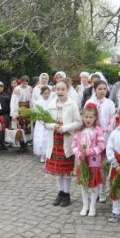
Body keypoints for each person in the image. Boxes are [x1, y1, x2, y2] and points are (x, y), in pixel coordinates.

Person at [44, 79, 82, 207]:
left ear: (67, 90)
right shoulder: (50, 104)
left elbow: (78, 122)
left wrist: (65, 127)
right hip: (55, 140)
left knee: (66, 171)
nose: (60, 92)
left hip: (67, 140)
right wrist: (54, 125)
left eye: (63, 89)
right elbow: (45, 122)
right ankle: (60, 193)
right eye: (58, 89)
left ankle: (67, 194)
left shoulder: (72, 104)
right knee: (58, 170)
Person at [71, 103, 106, 216]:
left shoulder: (97, 130)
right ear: (82, 117)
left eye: (91, 117)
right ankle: (85, 205)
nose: (88, 119)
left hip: (94, 161)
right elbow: (74, 145)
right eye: (86, 117)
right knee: (84, 183)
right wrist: (78, 153)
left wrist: (89, 151)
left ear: (95, 117)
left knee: (93, 184)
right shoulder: (79, 131)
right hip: (82, 161)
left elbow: (101, 145)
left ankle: (92, 206)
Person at [85, 80, 116, 202]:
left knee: (103, 165)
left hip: (105, 137)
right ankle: (92, 189)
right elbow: (86, 118)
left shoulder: (110, 103)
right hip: (92, 137)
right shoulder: (90, 102)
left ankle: (102, 190)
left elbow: (112, 119)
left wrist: (105, 132)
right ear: (95, 90)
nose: (102, 91)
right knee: (92, 164)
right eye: (100, 89)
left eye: (104, 89)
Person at [10, 75, 33, 151]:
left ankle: (26, 145)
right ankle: (21, 145)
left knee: (27, 127)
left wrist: (32, 110)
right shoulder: (17, 89)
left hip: (28, 109)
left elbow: (32, 100)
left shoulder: (30, 88)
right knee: (20, 127)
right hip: (19, 109)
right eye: (23, 81)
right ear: (21, 81)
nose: (25, 83)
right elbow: (13, 101)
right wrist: (14, 113)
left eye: (26, 81)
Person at [33, 86, 51, 163]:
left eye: (48, 93)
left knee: (48, 139)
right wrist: (41, 120)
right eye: (45, 93)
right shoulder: (38, 102)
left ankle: (48, 154)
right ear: (42, 93)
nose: (46, 95)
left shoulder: (52, 102)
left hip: (49, 122)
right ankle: (42, 155)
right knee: (41, 140)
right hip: (41, 124)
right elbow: (35, 112)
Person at [0, 81, 10, 151]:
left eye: (1, 87)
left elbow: (9, 106)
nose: (0, 88)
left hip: (5, 115)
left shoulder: (6, 95)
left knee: (4, 130)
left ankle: (3, 143)